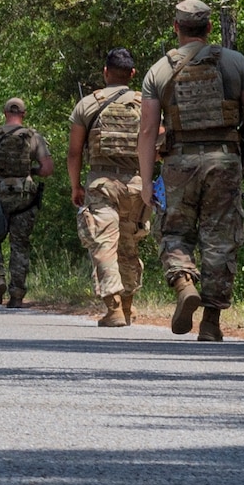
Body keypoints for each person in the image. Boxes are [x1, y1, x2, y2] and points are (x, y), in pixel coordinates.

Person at [138, 0, 244, 342]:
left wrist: (147, 181)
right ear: (209, 28)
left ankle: (183, 284)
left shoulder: (159, 71)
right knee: (220, 239)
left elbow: (148, 132)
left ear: (177, 28)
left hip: (179, 162)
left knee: (175, 232)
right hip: (224, 160)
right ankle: (211, 322)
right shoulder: (235, 62)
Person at [68, 49, 151, 327]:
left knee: (104, 243)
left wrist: (75, 186)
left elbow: (74, 152)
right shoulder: (145, 104)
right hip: (137, 185)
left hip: (102, 183)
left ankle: (113, 306)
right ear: (132, 74)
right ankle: (127, 305)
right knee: (129, 244)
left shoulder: (88, 104)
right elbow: (159, 143)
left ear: (105, 72)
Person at [0, 99, 53, 307]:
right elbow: (47, 169)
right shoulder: (34, 138)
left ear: (5, 112)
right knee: (20, 245)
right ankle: (16, 295)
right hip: (24, 201)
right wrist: (29, 172)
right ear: (23, 113)